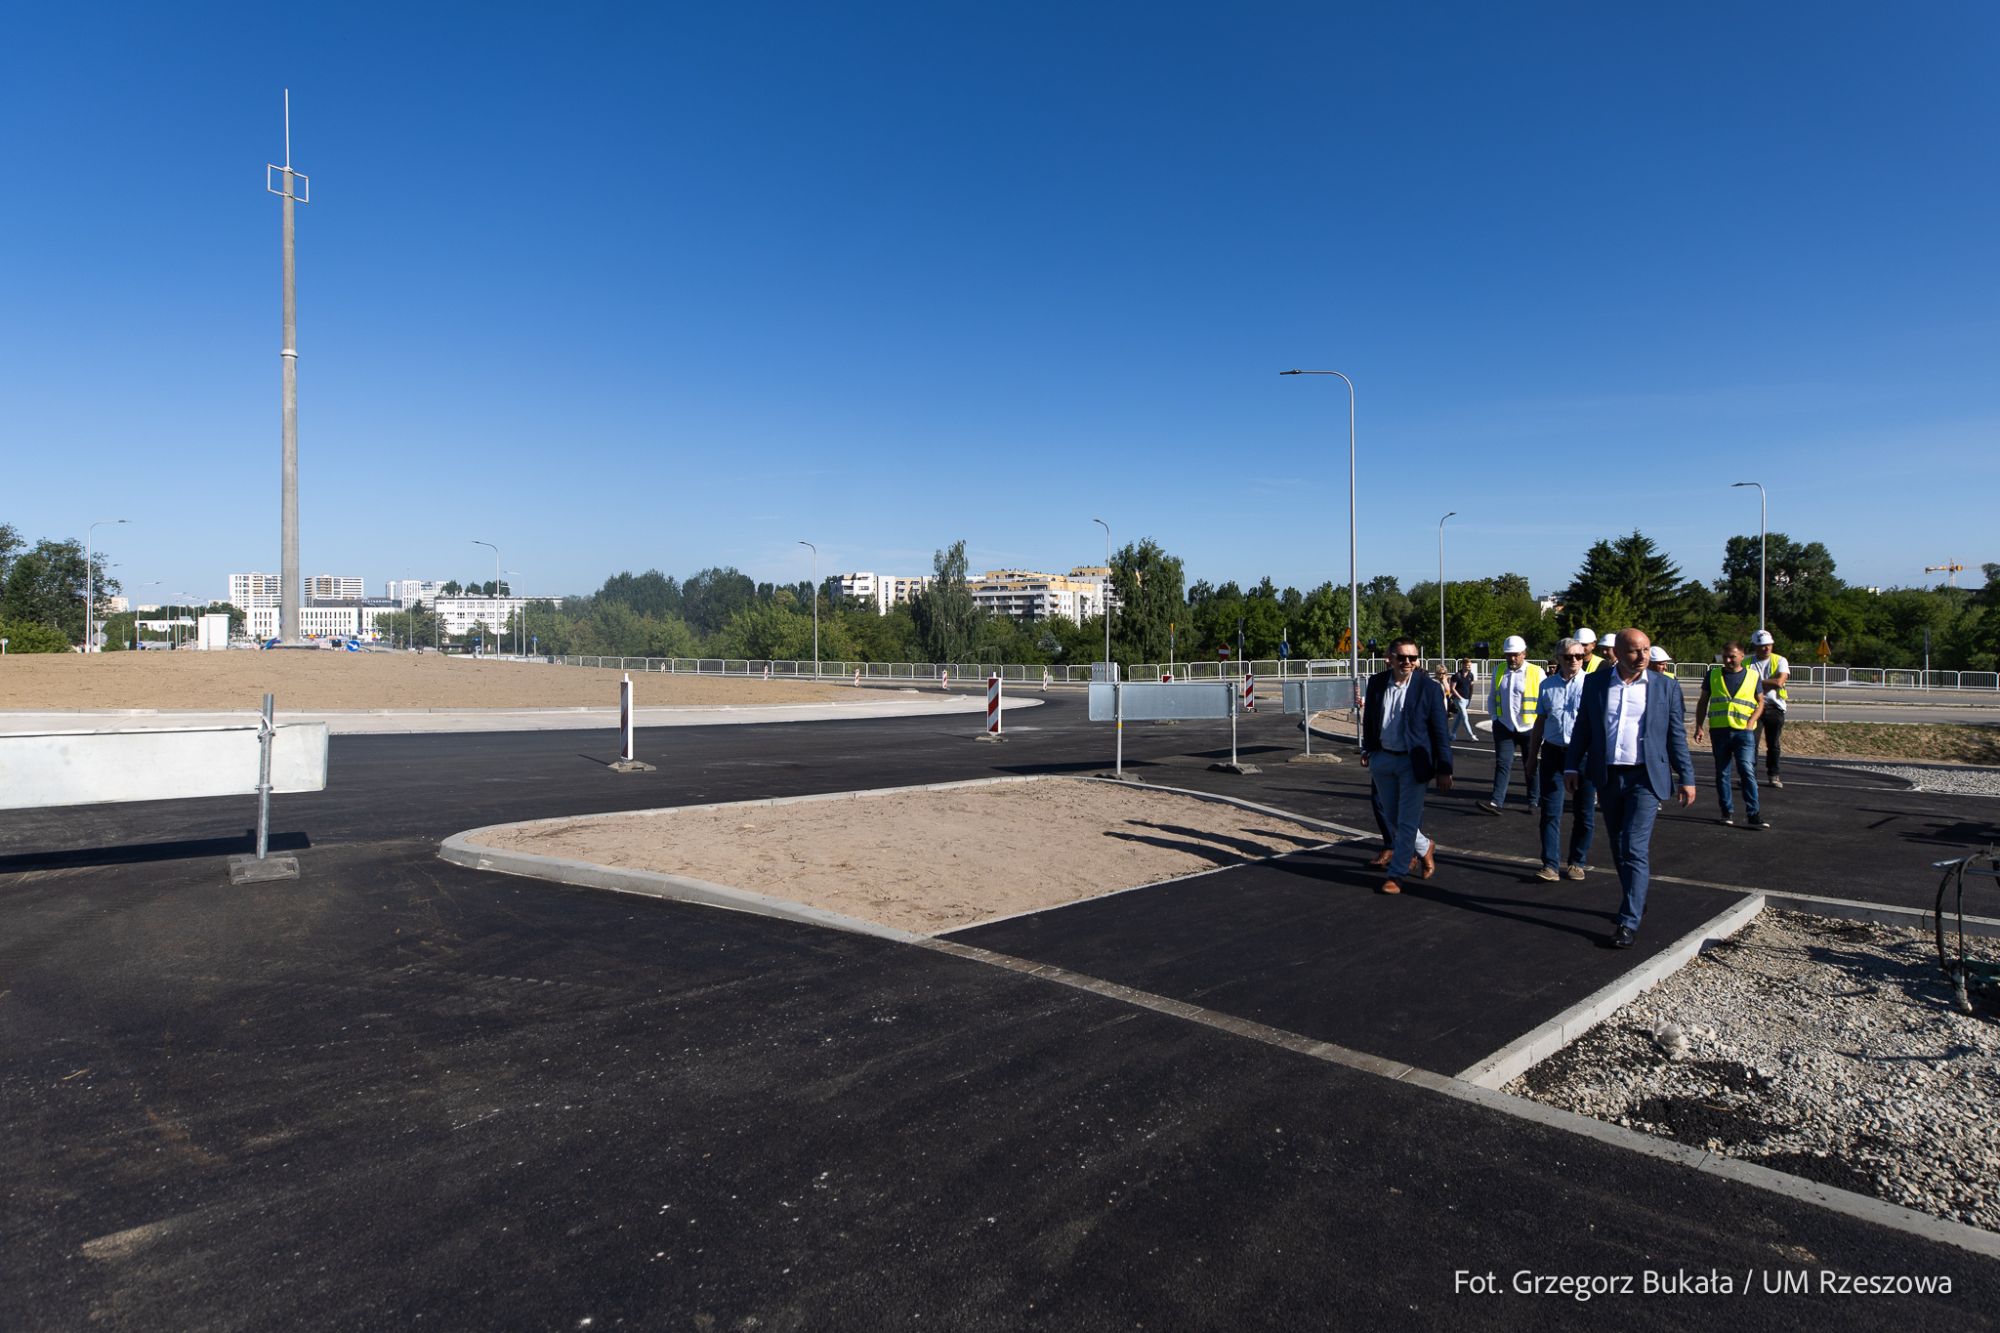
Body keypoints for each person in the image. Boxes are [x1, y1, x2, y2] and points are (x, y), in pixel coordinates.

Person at [1564, 628, 1697, 948]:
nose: (1643, 657)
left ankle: (1628, 921)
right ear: (1618, 653)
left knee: (1633, 846)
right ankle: (1636, 897)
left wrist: (1687, 777)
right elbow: (1583, 727)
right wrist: (1571, 765)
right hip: (1608, 776)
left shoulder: (1666, 687)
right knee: (1617, 844)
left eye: (1647, 650)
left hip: (1646, 779)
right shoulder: (1597, 683)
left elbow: (1675, 735)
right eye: (1635, 651)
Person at [1360, 636, 1454, 894]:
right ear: (1389, 658)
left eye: (1412, 658)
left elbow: (1439, 732)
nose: (1407, 662)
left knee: (1407, 820)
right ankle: (1425, 847)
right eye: (1402, 657)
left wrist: (1445, 768)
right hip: (1383, 759)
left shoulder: (1429, 688)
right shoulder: (1377, 683)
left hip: (1414, 763)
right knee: (1392, 817)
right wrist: (1368, 749)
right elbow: (1370, 720)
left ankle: (1397, 874)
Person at [1531, 638, 1594, 881]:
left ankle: (1577, 861)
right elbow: (1540, 721)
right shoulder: (1547, 685)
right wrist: (1531, 757)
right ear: (1559, 658)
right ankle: (1550, 864)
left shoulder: (1591, 684)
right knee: (1550, 811)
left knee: (1584, 813)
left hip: (1584, 756)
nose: (1575, 661)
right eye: (1569, 657)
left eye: (1579, 656)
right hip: (1553, 753)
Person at [1693, 640, 1769, 829]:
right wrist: (1699, 726)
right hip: (1719, 731)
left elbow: (1761, 702)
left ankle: (1753, 813)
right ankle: (1726, 811)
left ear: (1742, 656)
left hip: (1743, 732)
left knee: (1746, 770)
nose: (1728, 660)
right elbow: (1703, 701)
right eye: (1725, 656)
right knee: (1722, 773)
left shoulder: (1752, 676)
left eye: (1732, 656)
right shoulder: (1713, 674)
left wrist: (1751, 722)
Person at [1475, 635, 1541, 814]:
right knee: (1503, 763)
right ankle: (1496, 802)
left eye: (1515, 654)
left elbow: (1544, 701)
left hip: (1529, 727)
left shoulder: (1536, 672)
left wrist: (1541, 725)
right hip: (1504, 726)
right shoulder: (1499, 670)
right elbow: (1492, 696)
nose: (1512, 658)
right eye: (1508, 654)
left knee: (1531, 764)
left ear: (1524, 653)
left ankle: (1534, 801)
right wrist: (1495, 718)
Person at [1750, 630, 1790, 788]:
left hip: (1775, 707)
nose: (1766, 648)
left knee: (1773, 744)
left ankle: (1773, 775)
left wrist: (1757, 682)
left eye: (1768, 645)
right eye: (1762, 645)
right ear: (1755, 646)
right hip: (1754, 708)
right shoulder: (1747, 662)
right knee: (1751, 744)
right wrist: (1767, 682)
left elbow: (1779, 682)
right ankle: (1749, 776)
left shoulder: (1780, 660)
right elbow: (1744, 682)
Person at [1448, 657, 1478, 740]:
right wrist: (1460, 697)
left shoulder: (1471, 675)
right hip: (1458, 700)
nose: (1469, 667)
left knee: (1459, 717)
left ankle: (1452, 734)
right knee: (1465, 717)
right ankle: (1471, 735)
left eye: (1470, 666)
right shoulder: (1457, 675)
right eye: (1468, 665)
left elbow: (1471, 686)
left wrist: (1469, 698)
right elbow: (1452, 688)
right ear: (1463, 665)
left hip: (1467, 699)